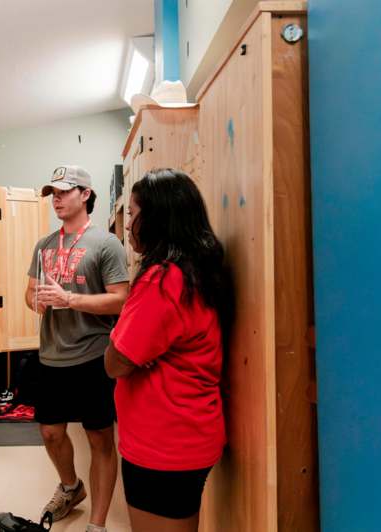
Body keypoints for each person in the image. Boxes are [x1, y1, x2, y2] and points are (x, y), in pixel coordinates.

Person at [104, 168, 231, 532]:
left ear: (157, 218)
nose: (128, 225)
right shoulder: (194, 271)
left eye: (134, 214)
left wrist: (117, 337)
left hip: (163, 446)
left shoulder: (163, 281)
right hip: (186, 435)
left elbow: (116, 363)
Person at [25, 165, 129, 532]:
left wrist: (70, 299)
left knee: (99, 437)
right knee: (51, 433)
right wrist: (35, 300)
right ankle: (71, 488)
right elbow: (30, 292)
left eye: (65, 191)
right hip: (51, 353)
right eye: (52, 191)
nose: (56, 198)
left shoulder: (106, 243)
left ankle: (97, 525)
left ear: (85, 194)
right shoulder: (44, 245)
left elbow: (121, 301)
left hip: (92, 355)